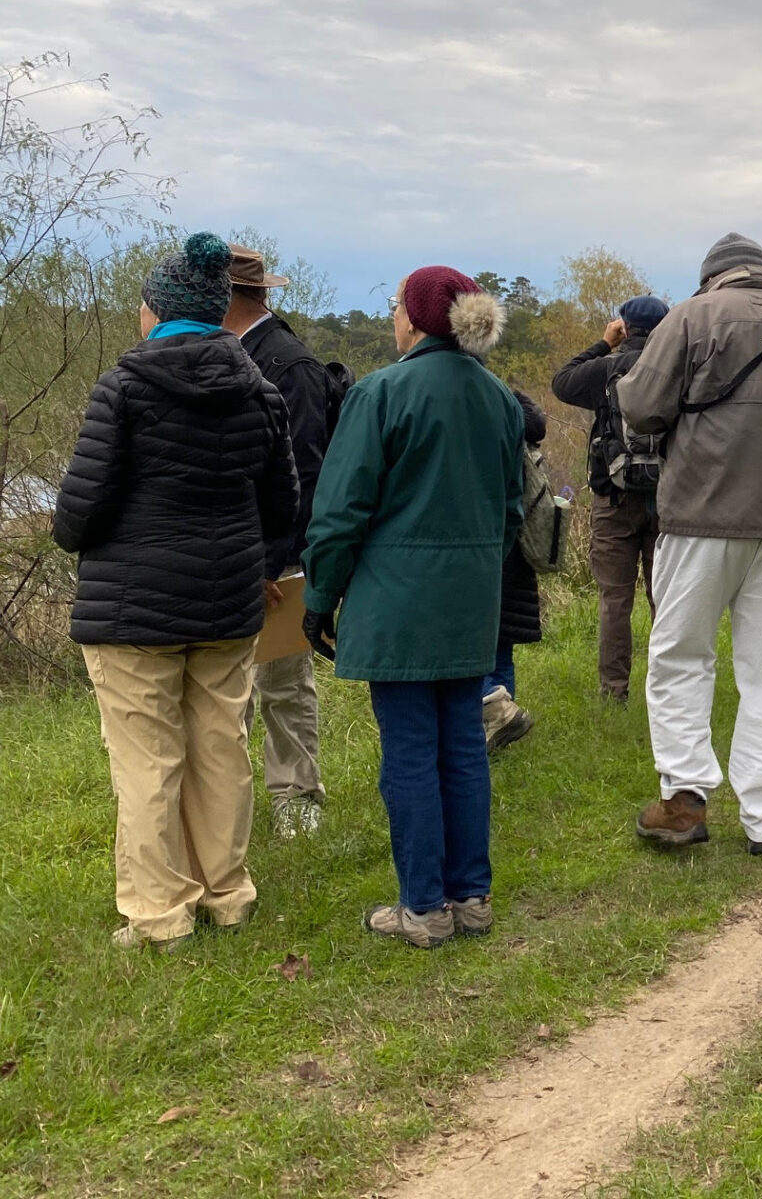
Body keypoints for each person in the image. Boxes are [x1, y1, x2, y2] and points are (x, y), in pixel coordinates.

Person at [53, 232, 299, 950]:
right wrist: (258, 563)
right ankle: (227, 894)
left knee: (148, 759)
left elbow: (78, 513)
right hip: (226, 604)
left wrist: (83, 535)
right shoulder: (261, 390)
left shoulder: (124, 387)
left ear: (157, 311)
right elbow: (283, 506)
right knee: (220, 746)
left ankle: (159, 915)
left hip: (133, 609)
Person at [303, 267, 523, 949]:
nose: (393, 315)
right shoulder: (500, 399)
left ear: (418, 318)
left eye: (396, 304)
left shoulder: (380, 393)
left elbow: (340, 511)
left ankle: (423, 906)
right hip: (470, 603)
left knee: (407, 751)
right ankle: (472, 897)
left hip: (396, 605)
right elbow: (511, 509)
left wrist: (317, 598)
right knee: (462, 745)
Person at [618, 233, 762, 857]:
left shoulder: (689, 317)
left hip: (700, 516)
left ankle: (684, 800)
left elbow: (638, 406)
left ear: (710, 277)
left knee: (681, 655)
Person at [221, 244, 332, 839]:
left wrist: (273, 561)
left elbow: (304, 474)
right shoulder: (224, 354)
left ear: (232, 297)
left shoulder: (289, 364)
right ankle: (226, 806)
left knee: (284, 685)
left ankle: (298, 800)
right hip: (231, 554)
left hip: (279, 557)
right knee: (227, 692)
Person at [552, 295, 669, 703]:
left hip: (612, 498)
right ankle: (668, 688)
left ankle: (614, 691)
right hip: (666, 500)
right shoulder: (674, 369)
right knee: (666, 598)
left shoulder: (606, 370)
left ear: (625, 326)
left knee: (615, 600)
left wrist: (605, 343)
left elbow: (562, 382)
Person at [481, 390, 549, 752]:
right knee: (501, 645)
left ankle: (497, 714)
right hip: (517, 550)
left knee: (475, 645)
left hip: (485, 549)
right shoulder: (513, 416)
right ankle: (500, 732)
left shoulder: (472, 417)